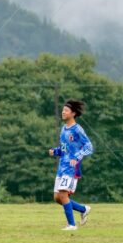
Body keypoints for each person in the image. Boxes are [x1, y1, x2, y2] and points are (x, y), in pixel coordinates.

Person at [48, 99, 94, 231]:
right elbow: (64, 149)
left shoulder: (77, 129)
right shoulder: (63, 129)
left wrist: (77, 157)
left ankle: (72, 225)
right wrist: (55, 151)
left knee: (63, 195)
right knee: (58, 198)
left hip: (71, 168)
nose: (63, 112)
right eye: (63, 110)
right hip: (61, 167)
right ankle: (83, 209)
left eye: (66, 110)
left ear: (73, 113)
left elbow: (89, 147)